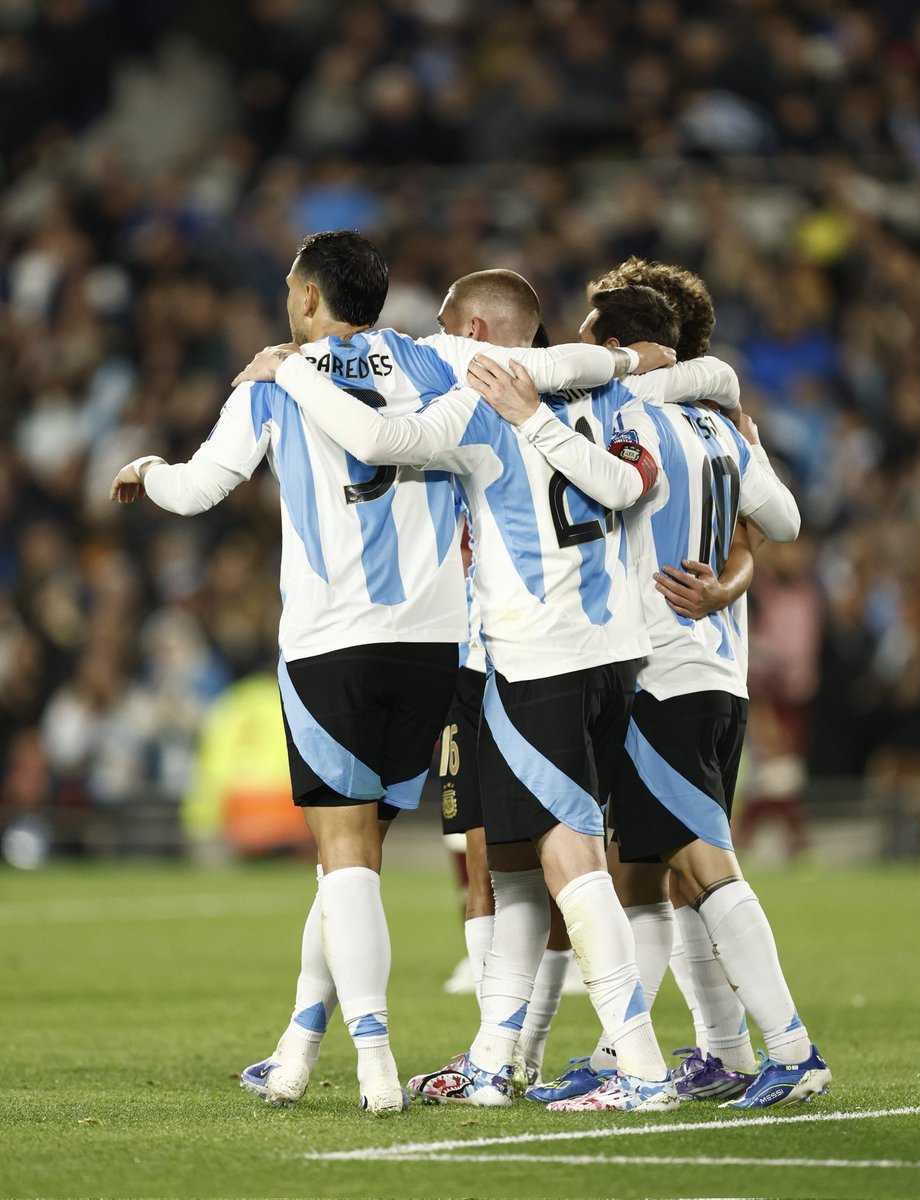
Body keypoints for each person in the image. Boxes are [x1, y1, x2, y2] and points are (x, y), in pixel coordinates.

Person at [109, 232, 673, 1115]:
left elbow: (198, 490)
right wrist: (639, 358)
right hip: (437, 648)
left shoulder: (275, 382)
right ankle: (302, 1044)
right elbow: (559, 363)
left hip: (338, 641)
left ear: (307, 298)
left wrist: (146, 469)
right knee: (367, 857)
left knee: (348, 860)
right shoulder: (438, 358)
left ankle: (377, 1061)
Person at [231, 284, 742, 1113]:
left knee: (570, 862)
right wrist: (638, 363)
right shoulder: (612, 399)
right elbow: (638, 470)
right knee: (512, 868)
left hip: (537, 658)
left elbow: (378, 436)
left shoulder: (477, 409)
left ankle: (642, 1066)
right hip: (613, 658)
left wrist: (289, 372)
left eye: (445, 336)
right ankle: (499, 1057)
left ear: (474, 338)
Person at [489, 266, 831, 1112]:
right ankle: (642, 1055)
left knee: (703, 867)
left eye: (590, 341)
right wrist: (740, 429)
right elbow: (784, 521)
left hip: (661, 673)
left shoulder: (629, 411)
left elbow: (612, 464)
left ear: (616, 348)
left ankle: (793, 1049)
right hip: (721, 673)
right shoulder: (720, 425)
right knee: (643, 872)